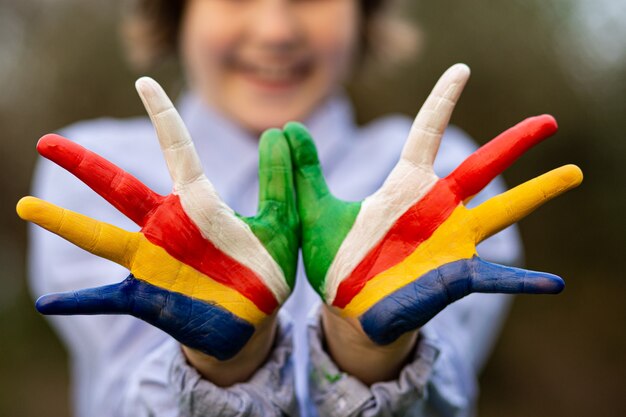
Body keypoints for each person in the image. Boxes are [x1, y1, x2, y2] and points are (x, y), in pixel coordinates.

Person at [24, 0, 570, 416]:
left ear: (364, 13)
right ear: (177, 12)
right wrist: (225, 362)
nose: (276, 30)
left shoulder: (445, 182)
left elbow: (448, 392)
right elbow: (123, 392)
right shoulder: (99, 176)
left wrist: (368, 349)